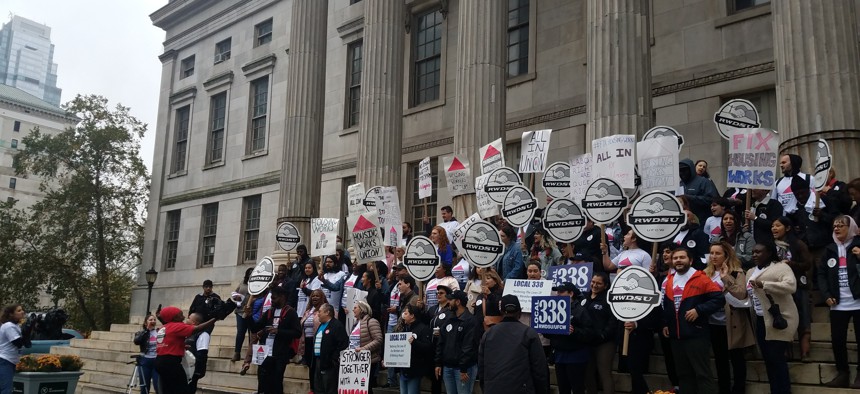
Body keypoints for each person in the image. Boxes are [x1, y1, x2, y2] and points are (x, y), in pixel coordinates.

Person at [661, 247, 724, 394]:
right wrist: (665, 323)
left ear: (690, 260)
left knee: (702, 374)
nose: (678, 260)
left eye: (682, 257)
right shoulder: (669, 280)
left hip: (696, 335)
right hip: (676, 336)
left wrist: (699, 310)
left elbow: (719, 299)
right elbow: (666, 305)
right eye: (675, 258)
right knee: (683, 375)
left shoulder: (700, 278)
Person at [744, 243, 797, 394]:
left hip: (780, 318)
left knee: (777, 358)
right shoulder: (750, 272)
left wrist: (765, 284)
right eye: (753, 252)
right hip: (760, 319)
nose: (754, 255)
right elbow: (747, 295)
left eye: (759, 252)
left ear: (769, 253)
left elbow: (791, 286)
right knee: (768, 359)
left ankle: (784, 391)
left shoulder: (781, 267)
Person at [705, 241, 754, 394]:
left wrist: (726, 278)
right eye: (711, 253)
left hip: (732, 321)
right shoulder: (705, 273)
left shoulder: (737, 272)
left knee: (737, 359)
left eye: (718, 253)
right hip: (713, 322)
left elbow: (741, 293)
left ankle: (739, 389)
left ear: (726, 255)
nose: (714, 256)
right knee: (720, 360)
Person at [818, 215, 860, 388]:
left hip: (858, 302)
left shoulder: (858, 245)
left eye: (841, 225)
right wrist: (827, 294)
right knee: (837, 340)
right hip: (838, 304)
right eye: (835, 226)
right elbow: (821, 274)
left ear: (850, 228)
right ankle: (842, 373)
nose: (837, 228)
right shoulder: (829, 249)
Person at [479, 294, 549, 394]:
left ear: (501, 312)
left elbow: (482, 367)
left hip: (493, 388)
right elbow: (539, 369)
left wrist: (486, 388)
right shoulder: (529, 333)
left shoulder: (488, 334)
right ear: (519, 311)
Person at [772, 216, 813, 359]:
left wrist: (791, 264)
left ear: (787, 228)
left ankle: (805, 352)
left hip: (798, 285)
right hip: (780, 288)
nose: (774, 229)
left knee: (803, 316)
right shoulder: (771, 246)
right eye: (773, 226)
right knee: (785, 318)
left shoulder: (798, 244)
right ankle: (786, 351)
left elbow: (808, 264)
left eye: (778, 225)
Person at [250, 285, 301, 394]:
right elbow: (255, 328)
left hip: (280, 354)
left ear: (282, 297)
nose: (271, 301)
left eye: (274, 298)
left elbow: (297, 333)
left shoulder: (290, 312)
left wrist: (279, 331)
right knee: (263, 382)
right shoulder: (269, 312)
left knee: (277, 382)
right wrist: (249, 316)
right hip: (265, 353)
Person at [546, 283, 595, 394]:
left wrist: (574, 332)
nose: (558, 295)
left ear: (571, 294)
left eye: (561, 292)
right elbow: (548, 334)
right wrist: (545, 328)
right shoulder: (554, 309)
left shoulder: (581, 311)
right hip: (559, 355)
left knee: (577, 388)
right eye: (557, 292)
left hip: (576, 356)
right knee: (563, 389)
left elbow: (590, 333)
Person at [154, 306, 215, 394]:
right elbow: (197, 328)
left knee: (167, 389)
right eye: (181, 315)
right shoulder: (177, 326)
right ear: (174, 317)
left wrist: (180, 346)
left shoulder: (163, 327)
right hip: (171, 363)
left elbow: (170, 341)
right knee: (183, 389)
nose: (183, 317)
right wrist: (214, 319)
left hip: (160, 361)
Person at [434, 290, 478, 394]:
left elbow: (469, 346)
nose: (448, 302)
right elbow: (441, 342)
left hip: (463, 369)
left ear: (458, 302)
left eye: (450, 300)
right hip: (448, 367)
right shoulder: (449, 319)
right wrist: (438, 363)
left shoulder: (471, 321)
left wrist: (463, 368)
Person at [583, 272, 617, 394]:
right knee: (587, 373)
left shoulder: (609, 299)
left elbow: (613, 321)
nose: (595, 285)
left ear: (605, 285)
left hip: (605, 342)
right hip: (587, 341)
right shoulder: (584, 296)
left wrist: (604, 335)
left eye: (599, 283)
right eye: (593, 282)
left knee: (604, 373)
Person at [395, 303, 433, 394]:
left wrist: (415, 343)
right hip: (404, 369)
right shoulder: (404, 328)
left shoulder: (423, 329)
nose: (404, 315)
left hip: (415, 369)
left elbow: (427, 347)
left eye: (406, 313)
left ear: (412, 316)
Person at [313, 303, 349, 394]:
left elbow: (343, 343)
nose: (318, 314)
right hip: (318, 361)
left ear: (327, 312)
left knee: (329, 388)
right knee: (318, 388)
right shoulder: (321, 325)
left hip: (329, 364)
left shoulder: (336, 325)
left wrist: (333, 358)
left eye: (320, 312)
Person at [350, 300, 384, 393]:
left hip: (369, 360)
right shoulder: (355, 324)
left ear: (362, 309)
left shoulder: (371, 321)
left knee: (366, 387)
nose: (353, 310)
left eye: (355, 307)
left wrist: (363, 349)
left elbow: (378, 340)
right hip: (356, 360)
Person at [678, 158, 719, 225]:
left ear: (691, 169)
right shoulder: (679, 185)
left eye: (685, 170)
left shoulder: (704, 182)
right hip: (683, 224)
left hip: (702, 222)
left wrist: (690, 198)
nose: (682, 173)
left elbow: (713, 200)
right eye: (680, 170)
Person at [300, 289, 327, 390]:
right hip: (307, 342)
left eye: (317, 296)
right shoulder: (308, 311)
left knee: (316, 366)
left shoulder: (326, 310)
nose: (314, 298)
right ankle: (312, 389)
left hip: (319, 342)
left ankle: (318, 389)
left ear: (322, 298)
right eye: (313, 296)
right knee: (310, 367)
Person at [1, 304, 29, 394]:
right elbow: (18, 343)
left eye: (22, 310)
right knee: (7, 390)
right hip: (5, 361)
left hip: (10, 361)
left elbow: (27, 344)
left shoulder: (16, 326)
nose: (22, 312)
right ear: (11, 314)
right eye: (19, 311)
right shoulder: (9, 326)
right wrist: (25, 334)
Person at [133, 314, 160, 394]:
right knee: (144, 386)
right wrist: (146, 330)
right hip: (145, 361)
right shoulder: (141, 333)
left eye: (154, 320)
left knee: (157, 385)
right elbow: (136, 341)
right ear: (145, 323)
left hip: (156, 360)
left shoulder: (159, 332)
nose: (153, 321)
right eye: (150, 320)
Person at [231, 267, 254, 361]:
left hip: (251, 312)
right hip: (240, 311)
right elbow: (234, 293)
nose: (250, 275)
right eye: (249, 273)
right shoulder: (242, 283)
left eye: (252, 273)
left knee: (251, 333)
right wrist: (236, 297)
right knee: (240, 332)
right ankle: (237, 353)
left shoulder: (257, 285)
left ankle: (250, 355)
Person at [185, 313, 210, 393]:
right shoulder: (187, 333)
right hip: (184, 367)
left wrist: (197, 370)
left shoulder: (203, 334)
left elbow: (202, 353)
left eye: (189, 318)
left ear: (194, 322)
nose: (186, 319)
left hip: (193, 368)